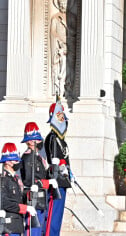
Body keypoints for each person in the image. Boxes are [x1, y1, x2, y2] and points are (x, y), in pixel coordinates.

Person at [20, 122, 59, 236]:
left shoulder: (37, 157)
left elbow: (42, 174)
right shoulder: (28, 157)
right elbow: (29, 181)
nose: (37, 141)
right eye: (34, 139)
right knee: (33, 231)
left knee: (40, 228)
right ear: (29, 142)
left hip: (41, 198)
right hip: (33, 197)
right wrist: (47, 182)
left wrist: (54, 170)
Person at [44, 99, 72, 236]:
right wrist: (60, 166)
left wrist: (69, 171)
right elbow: (52, 158)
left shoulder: (62, 140)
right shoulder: (51, 138)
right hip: (55, 179)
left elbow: (65, 158)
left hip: (63, 180)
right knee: (53, 214)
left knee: (59, 214)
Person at [0, 142, 37, 236]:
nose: (18, 163)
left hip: (17, 223)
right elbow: (4, 202)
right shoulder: (3, 180)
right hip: (9, 225)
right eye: (15, 160)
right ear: (8, 162)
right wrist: (25, 208)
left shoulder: (15, 178)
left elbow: (18, 196)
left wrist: (29, 192)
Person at [50, 0, 77, 98]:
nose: (63, 6)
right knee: (60, 66)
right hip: (60, 46)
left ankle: (68, 88)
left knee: (70, 67)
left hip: (70, 45)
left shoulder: (72, 17)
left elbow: (75, 31)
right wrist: (60, 41)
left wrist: (68, 32)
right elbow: (53, 32)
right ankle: (58, 90)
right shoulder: (56, 18)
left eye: (65, 4)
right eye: (61, 4)